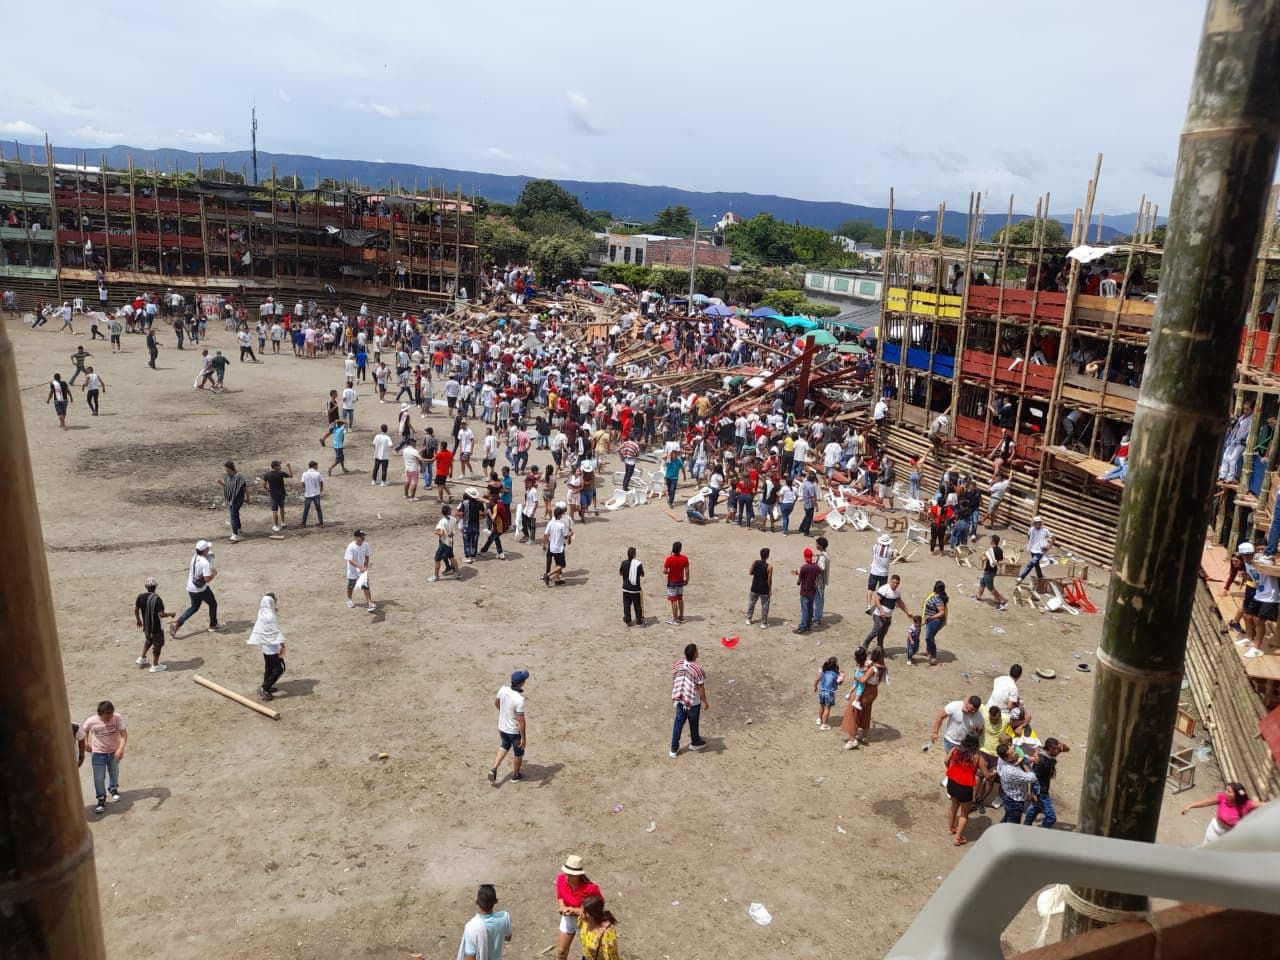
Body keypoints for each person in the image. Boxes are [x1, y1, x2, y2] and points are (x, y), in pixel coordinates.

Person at [77, 700, 127, 814]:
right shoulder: (91, 721)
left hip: (114, 751)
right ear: (99, 714)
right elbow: (84, 730)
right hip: (98, 753)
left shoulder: (117, 718)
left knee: (114, 771)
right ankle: (101, 798)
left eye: (110, 716)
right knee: (99, 777)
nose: (108, 719)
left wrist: (121, 749)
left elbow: (124, 734)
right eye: (105, 717)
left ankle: (113, 788)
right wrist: (85, 743)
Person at [945, 733, 991, 846]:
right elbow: (987, 775)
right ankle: (957, 838)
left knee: (953, 805)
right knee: (964, 813)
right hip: (965, 787)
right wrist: (994, 772)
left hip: (952, 782)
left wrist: (953, 770)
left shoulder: (955, 750)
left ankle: (951, 828)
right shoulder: (977, 757)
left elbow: (946, 761)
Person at [554, 855, 603, 960]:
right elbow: (560, 896)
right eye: (566, 872)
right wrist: (562, 906)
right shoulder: (561, 879)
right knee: (561, 952)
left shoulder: (591, 888)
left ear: (578, 875)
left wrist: (575, 910)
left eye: (570, 874)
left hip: (586, 922)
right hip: (568, 919)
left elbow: (599, 906)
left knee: (590, 954)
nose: (567, 876)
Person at [172, 540, 222, 636]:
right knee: (213, 604)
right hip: (201, 589)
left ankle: (178, 623)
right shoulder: (205, 563)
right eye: (207, 548)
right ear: (204, 550)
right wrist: (214, 574)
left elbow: (203, 559)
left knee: (194, 607)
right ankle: (213, 625)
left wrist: (209, 557)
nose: (208, 549)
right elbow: (206, 579)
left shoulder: (195, 556)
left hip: (191, 587)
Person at [1182, 782, 1259, 844]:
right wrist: (1190, 806)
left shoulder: (1247, 805)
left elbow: (1264, 805)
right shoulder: (1222, 798)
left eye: (1229, 791)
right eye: (1225, 789)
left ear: (1237, 795)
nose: (1225, 792)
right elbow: (1206, 802)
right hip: (1213, 830)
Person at [489, 670, 529, 784]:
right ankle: (515, 776)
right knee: (519, 753)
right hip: (514, 731)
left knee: (504, 746)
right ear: (521, 683)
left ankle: (494, 768)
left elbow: (496, 702)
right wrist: (524, 738)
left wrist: (504, 713)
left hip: (502, 728)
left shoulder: (503, 689)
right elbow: (521, 720)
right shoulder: (519, 700)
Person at [669, 642, 708, 758]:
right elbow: (701, 687)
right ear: (695, 654)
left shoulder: (679, 664)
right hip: (693, 702)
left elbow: (675, 677)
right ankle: (695, 742)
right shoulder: (697, 669)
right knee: (693, 723)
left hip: (680, 700)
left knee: (678, 723)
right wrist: (705, 701)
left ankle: (673, 749)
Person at [248, 594, 287, 701]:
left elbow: (270, 612)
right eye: (274, 601)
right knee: (280, 669)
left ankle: (267, 687)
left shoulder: (262, 612)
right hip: (273, 648)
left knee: (269, 668)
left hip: (265, 648)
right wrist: (282, 644)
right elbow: (274, 632)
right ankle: (264, 688)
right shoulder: (270, 617)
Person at [458, 884, 513, 960]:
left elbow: (470, 957)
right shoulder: (505, 917)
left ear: (476, 902)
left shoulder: (471, 927)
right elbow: (508, 937)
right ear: (496, 901)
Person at [1023, 738, 1069, 828]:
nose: (1059, 752)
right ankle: (1041, 832)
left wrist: (1060, 743)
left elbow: (1067, 749)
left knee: (1034, 809)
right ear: (1051, 749)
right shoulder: (1041, 761)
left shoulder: (1048, 754)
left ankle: (1025, 827)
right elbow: (1033, 777)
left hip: (1042, 789)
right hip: (1041, 792)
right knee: (1051, 818)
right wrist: (1033, 793)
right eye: (1057, 750)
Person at [134, 576, 175, 673]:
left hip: (146, 626)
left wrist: (138, 620)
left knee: (149, 640)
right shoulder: (157, 599)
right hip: (155, 628)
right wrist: (171, 614)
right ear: (155, 586)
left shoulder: (140, 596)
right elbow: (161, 614)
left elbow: (136, 609)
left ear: (145, 586)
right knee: (158, 645)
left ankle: (142, 658)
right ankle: (155, 665)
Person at [996, 742, 1039, 824]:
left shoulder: (1001, 758)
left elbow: (1020, 756)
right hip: (1015, 801)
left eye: (1013, 750)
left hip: (1007, 794)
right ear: (1006, 759)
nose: (1015, 753)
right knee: (1013, 824)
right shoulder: (1011, 771)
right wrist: (1024, 764)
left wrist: (1029, 758)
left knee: (1008, 817)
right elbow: (1032, 778)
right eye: (1012, 754)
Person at [1015, 515, 1053, 585]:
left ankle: (1021, 577)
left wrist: (1048, 545)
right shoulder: (1031, 529)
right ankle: (1040, 578)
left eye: (1039, 522)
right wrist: (1031, 545)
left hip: (1040, 551)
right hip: (1033, 550)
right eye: (1036, 522)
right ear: (1034, 523)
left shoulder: (1045, 530)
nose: (1038, 524)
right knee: (1036, 565)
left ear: (1041, 523)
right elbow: (1029, 537)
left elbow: (1052, 538)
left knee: (1031, 564)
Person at [344, 529, 376, 612]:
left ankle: (370, 603)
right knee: (351, 585)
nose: (363, 538)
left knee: (365, 585)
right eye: (361, 537)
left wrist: (365, 567)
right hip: (353, 570)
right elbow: (350, 560)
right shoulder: (351, 547)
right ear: (356, 537)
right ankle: (349, 599)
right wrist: (359, 567)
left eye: (363, 537)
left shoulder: (365, 545)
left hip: (362, 569)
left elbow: (367, 556)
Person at [793, 546, 822, 634]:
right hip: (812, 591)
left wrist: (798, 575)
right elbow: (820, 571)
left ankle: (802, 627)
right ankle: (808, 626)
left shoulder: (804, 567)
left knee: (804, 610)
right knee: (810, 609)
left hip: (804, 592)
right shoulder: (815, 567)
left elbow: (799, 582)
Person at [974, 535, 1008, 609]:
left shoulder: (990, 551)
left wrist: (982, 555)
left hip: (989, 571)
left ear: (992, 541)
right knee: (982, 582)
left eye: (990, 539)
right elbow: (1001, 560)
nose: (989, 540)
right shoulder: (1000, 550)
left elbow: (982, 559)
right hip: (993, 571)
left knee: (990, 587)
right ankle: (978, 596)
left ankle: (1001, 601)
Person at [921, 580, 950, 666]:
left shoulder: (938, 599)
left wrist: (931, 617)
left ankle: (933, 656)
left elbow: (941, 612)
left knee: (928, 638)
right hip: (931, 620)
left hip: (934, 621)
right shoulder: (936, 596)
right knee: (930, 636)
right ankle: (928, 651)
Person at [866, 535, 895, 613]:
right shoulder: (890, 551)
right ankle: (878, 605)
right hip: (884, 573)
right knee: (881, 591)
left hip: (874, 571)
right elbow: (892, 558)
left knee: (870, 589)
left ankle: (868, 605)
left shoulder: (875, 547)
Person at [814, 656, 845, 730]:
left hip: (822, 691)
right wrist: (842, 676)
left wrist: (815, 686)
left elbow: (817, 679)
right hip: (829, 693)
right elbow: (839, 683)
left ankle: (819, 719)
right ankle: (824, 725)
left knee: (821, 705)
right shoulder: (836, 674)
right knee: (827, 708)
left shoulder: (823, 671)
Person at [222, 460, 251, 542]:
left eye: (225, 468)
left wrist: (248, 499)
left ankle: (235, 534)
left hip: (238, 499)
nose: (224, 469)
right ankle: (238, 529)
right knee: (235, 514)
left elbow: (245, 488)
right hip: (231, 499)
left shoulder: (239, 476)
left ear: (229, 467)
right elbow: (228, 487)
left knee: (233, 515)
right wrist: (220, 483)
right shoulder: (228, 476)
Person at [663, 541, 690, 625]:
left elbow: (664, 571)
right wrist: (687, 580)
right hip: (680, 582)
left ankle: (674, 619)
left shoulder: (669, 559)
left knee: (673, 600)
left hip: (672, 582)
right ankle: (681, 617)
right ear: (680, 549)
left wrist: (669, 573)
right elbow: (687, 570)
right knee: (680, 598)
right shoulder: (685, 558)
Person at [261, 460, 292, 533]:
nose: (280, 466)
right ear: (275, 467)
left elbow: (263, 485)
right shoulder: (280, 473)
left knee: (274, 510)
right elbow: (291, 476)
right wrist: (289, 467)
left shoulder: (267, 474)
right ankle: (283, 522)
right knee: (282, 508)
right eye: (279, 465)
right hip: (282, 494)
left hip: (273, 495)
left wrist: (268, 490)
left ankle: (276, 525)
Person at [431, 504, 459, 582]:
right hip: (450, 541)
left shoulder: (442, 521)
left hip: (443, 542)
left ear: (442, 512)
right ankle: (457, 572)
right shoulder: (453, 519)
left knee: (437, 559)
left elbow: (441, 533)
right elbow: (452, 532)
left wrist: (435, 532)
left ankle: (436, 576)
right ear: (449, 512)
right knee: (451, 556)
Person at [746, 547, 773, 629]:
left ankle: (748, 618)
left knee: (751, 603)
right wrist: (770, 589)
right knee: (765, 606)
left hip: (754, 587)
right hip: (764, 589)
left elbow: (750, 573)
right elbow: (769, 579)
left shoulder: (754, 562)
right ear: (767, 556)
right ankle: (763, 623)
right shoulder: (770, 567)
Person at [620, 546, 646, 627]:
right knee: (637, 605)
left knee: (626, 605)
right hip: (635, 589)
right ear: (635, 555)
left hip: (626, 588)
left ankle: (628, 620)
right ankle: (639, 620)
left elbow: (620, 573)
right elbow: (642, 574)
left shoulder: (624, 563)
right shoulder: (638, 564)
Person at [813, 535, 832, 626]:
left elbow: (821, 569)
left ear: (820, 545)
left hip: (819, 581)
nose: (816, 545)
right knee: (818, 599)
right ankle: (816, 617)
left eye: (817, 544)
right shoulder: (824, 554)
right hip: (821, 581)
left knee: (818, 600)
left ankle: (816, 619)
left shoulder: (822, 557)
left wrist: (813, 567)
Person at [300, 460, 325, 527]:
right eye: (316, 465)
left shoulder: (304, 473)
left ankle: (303, 523)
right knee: (318, 509)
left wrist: (305, 488)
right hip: (316, 493)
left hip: (308, 494)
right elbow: (321, 481)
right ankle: (321, 523)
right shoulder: (317, 473)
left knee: (306, 509)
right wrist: (321, 488)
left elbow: (302, 483)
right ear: (314, 466)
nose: (317, 467)